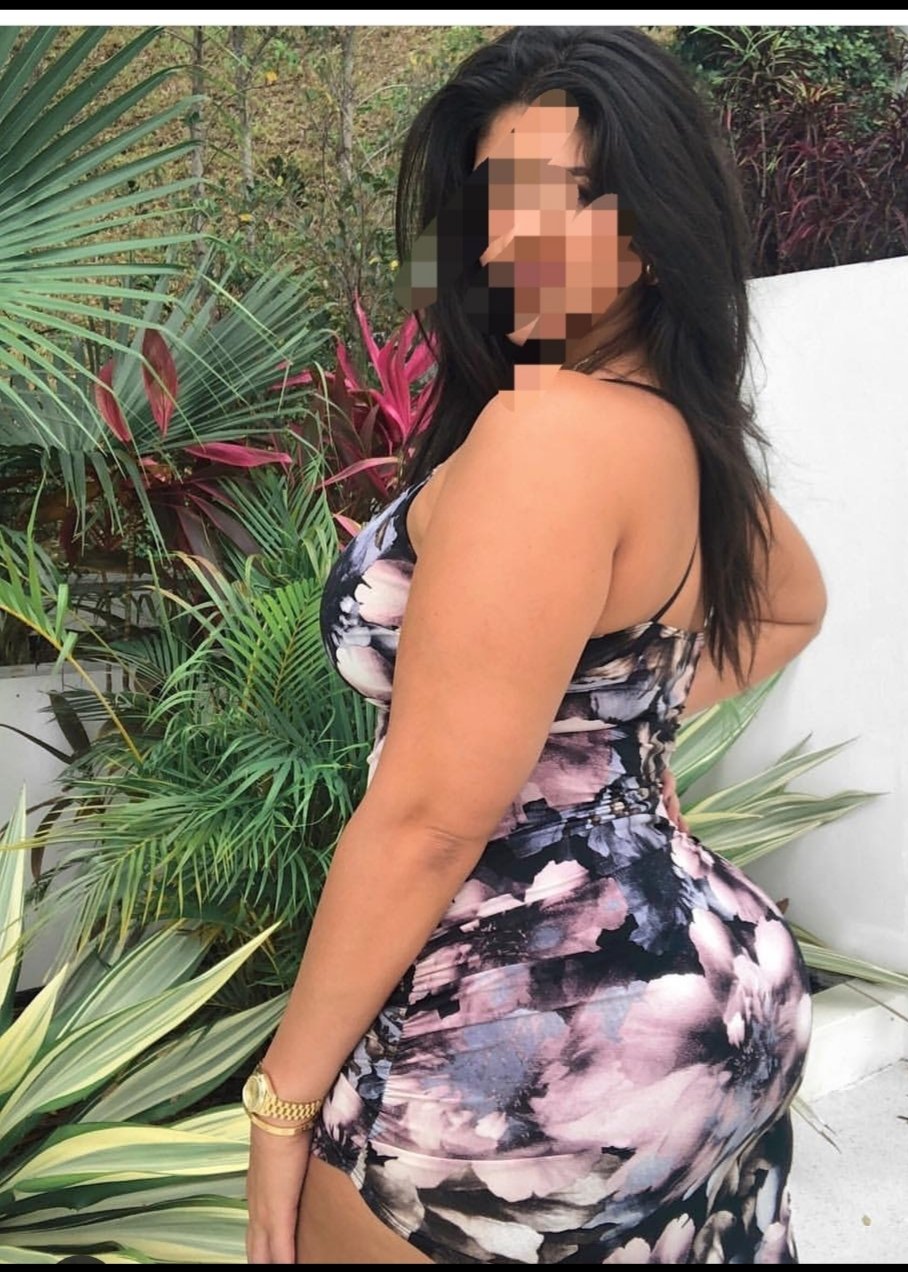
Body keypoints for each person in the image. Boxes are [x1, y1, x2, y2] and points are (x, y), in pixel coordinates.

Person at [244, 26, 826, 1266]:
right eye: (490, 202)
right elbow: (789, 605)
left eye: (550, 199)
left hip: (535, 1022)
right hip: (718, 979)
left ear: (653, 225)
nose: (504, 243)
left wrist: (282, 1101)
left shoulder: (543, 435)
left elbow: (428, 821)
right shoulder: (676, 430)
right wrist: (613, 756)